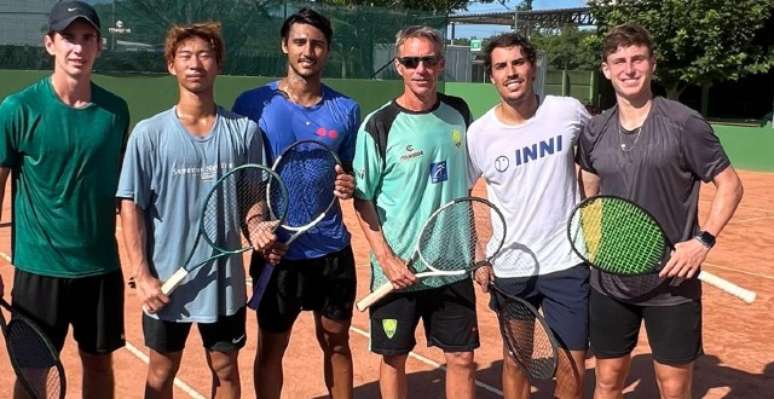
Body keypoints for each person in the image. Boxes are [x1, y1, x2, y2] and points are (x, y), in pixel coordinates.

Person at [576, 23, 744, 399]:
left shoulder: (685, 123)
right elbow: (588, 189)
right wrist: (594, 245)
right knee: (606, 382)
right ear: (606, 69)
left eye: (637, 59)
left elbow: (730, 185)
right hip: (610, 281)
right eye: (619, 61)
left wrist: (701, 241)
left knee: (674, 387)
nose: (629, 69)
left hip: (672, 283)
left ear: (652, 64)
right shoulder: (594, 130)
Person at [117, 22, 269, 399]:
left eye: (205, 55)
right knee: (162, 369)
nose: (195, 63)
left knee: (226, 369)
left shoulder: (244, 131)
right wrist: (143, 275)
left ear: (218, 64)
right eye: (185, 56)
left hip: (224, 282)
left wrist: (258, 226)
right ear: (172, 66)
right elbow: (131, 207)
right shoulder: (148, 134)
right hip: (167, 283)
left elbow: (251, 197)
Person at [0, 2, 128, 398]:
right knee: (34, 374)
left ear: (99, 46)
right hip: (39, 271)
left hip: (100, 268)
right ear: (49, 44)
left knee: (99, 365)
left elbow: (126, 196)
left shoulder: (115, 112)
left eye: (87, 38)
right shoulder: (17, 109)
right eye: (68, 38)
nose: (78, 47)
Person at [232, 8, 358, 399]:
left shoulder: (347, 109)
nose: (308, 50)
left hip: (332, 248)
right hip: (277, 252)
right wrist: (255, 228)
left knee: (337, 342)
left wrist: (349, 183)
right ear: (285, 46)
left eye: (317, 43)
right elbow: (245, 177)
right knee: (272, 347)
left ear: (328, 50)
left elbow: (349, 171)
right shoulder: (254, 104)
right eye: (300, 42)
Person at [352, 26, 477, 399]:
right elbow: (363, 199)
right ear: (398, 66)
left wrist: (477, 253)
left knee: (463, 359)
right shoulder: (378, 125)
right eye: (411, 61)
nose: (420, 68)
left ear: (440, 65)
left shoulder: (460, 113)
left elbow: (468, 187)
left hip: (452, 267)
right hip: (399, 273)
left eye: (429, 60)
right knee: (394, 359)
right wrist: (387, 260)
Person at [467, 33, 590, 399]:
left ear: (533, 67)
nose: (511, 72)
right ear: (491, 76)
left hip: (566, 260)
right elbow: (463, 196)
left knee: (571, 363)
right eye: (501, 66)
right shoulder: (480, 134)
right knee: (516, 360)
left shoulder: (568, 111)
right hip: (510, 266)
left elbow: (597, 164)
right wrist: (479, 257)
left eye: (518, 63)